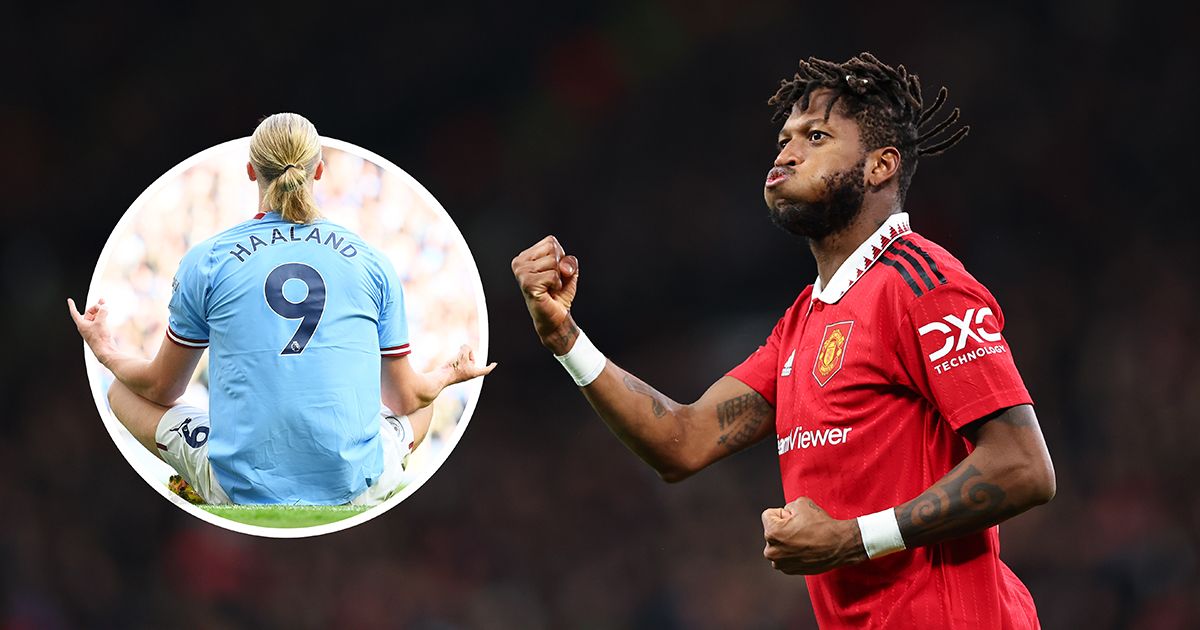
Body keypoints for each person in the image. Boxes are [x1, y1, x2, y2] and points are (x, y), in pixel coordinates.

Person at [512, 53, 1054, 628]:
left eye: (815, 137)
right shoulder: (804, 320)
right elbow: (681, 442)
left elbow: (1022, 467)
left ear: (880, 166)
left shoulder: (925, 285)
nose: (786, 154)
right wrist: (565, 338)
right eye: (784, 138)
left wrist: (853, 538)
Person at [70, 113, 494, 506]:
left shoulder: (208, 258)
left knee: (119, 391)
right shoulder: (373, 261)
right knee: (426, 402)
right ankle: (381, 473)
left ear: (251, 170)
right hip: (353, 482)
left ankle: (201, 476)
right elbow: (404, 397)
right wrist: (450, 374)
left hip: (238, 486)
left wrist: (105, 349)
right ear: (320, 170)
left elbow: (162, 388)